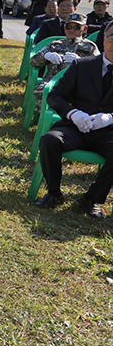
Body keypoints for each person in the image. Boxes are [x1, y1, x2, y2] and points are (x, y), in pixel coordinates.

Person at [31, 24, 113, 219]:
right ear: (104, 39)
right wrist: (73, 113)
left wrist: (110, 118)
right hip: (75, 127)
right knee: (50, 140)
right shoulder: (82, 65)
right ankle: (54, 193)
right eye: (112, 37)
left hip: (107, 132)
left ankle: (91, 199)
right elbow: (55, 96)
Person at [29, 13, 98, 87]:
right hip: (53, 81)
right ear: (65, 28)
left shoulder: (90, 47)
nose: (72, 30)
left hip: (79, 82)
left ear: (84, 29)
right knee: (41, 91)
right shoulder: (55, 45)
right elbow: (33, 62)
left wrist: (81, 62)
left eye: (77, 27)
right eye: (69, 27)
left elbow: (98, 69)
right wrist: (45, 56)